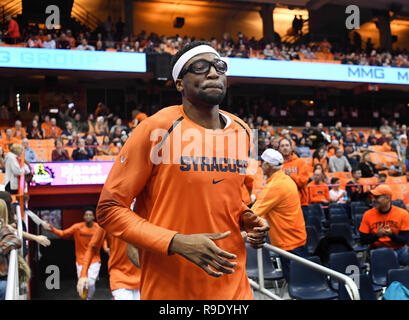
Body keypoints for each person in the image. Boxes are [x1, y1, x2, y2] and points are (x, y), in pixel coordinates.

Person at [96, 41, 269, 300]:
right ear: (179, 83)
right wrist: (175, 241)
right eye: (199, 67)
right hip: (172, 291)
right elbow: (108, 210)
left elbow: (233, 198)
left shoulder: (243, 131)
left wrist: (246, 218)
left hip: (235, 288)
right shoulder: (156, 129)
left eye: (219, 66)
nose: (212, 73)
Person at [251, 149, 307, 281]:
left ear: (268, 165)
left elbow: (253, 213)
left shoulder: (275, 185)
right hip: (296, 238)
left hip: (288, 242)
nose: (260, 166)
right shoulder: (286, 179)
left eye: (262, 163)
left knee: (296, 283)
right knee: (300, 280)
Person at [42, 208, 106, 300]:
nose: (88, 216)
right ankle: (85, 298)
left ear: (94, 217)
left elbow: (103, 239)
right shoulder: (77, 227)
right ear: (83, 217)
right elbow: (63, 234)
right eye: (86, 215)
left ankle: (89, 298)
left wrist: (106, 248)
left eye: (90, 215)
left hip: (95, 260)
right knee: (83, 284)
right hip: (80, 260)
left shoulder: (98, 228)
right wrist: (52, 229)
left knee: (91, 283)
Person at [77, 225, 141, 300]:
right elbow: (92, 247)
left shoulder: (146, 216)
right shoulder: (108, 219)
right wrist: (83, 274)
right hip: (120, 277)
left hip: (144, 278)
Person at [359, 185, 409, 266]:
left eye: (377, 197)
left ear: (388, 198)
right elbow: (363, 240)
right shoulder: (368, 214)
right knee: (386, 255)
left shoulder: (403, 214)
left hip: (400, 250)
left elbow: (403, 241)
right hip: (378, 250)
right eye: (373, 197)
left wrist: (391, 234)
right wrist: (377, 236)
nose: (373, 200)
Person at [279, 138, 310, 209]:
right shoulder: (277, 165)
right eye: (282, 146)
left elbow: (303, 182)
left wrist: (290, 175)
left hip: (300, 203)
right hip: (283, 204)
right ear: (279, 149)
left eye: (287, 145)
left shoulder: (300, 162)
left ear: (291, 148)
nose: (285, 148)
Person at [0, 199, 21, 300]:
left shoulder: (3, 229)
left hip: (2, 280)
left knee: (4, 288)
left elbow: (16, 241)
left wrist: (1, 248)